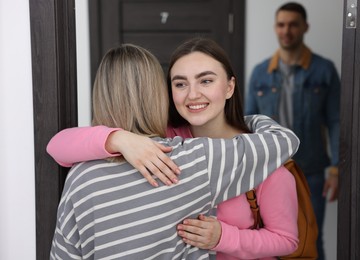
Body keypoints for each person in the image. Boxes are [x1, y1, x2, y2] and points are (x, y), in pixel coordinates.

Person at [48, 38, 299, 259]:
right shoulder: (161, 144)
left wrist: (225, 237)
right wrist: (120, 140)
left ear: (230, 87)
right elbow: (58, 146)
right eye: (180, 84)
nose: (192, 94)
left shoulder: (261, 155)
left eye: (206, 80)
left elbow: (287, 241)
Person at [245, 3, 340, 260]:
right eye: (281, 24)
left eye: (293, 24)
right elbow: (248, 124)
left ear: (305, 27)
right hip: (270, 173)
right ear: (275, 28)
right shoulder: (260, 73)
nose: (286, 31)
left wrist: (335, 167)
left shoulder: (324, 70)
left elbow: (335, 120)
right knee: (273, 241)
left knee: (311, 239)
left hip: (311, 171)